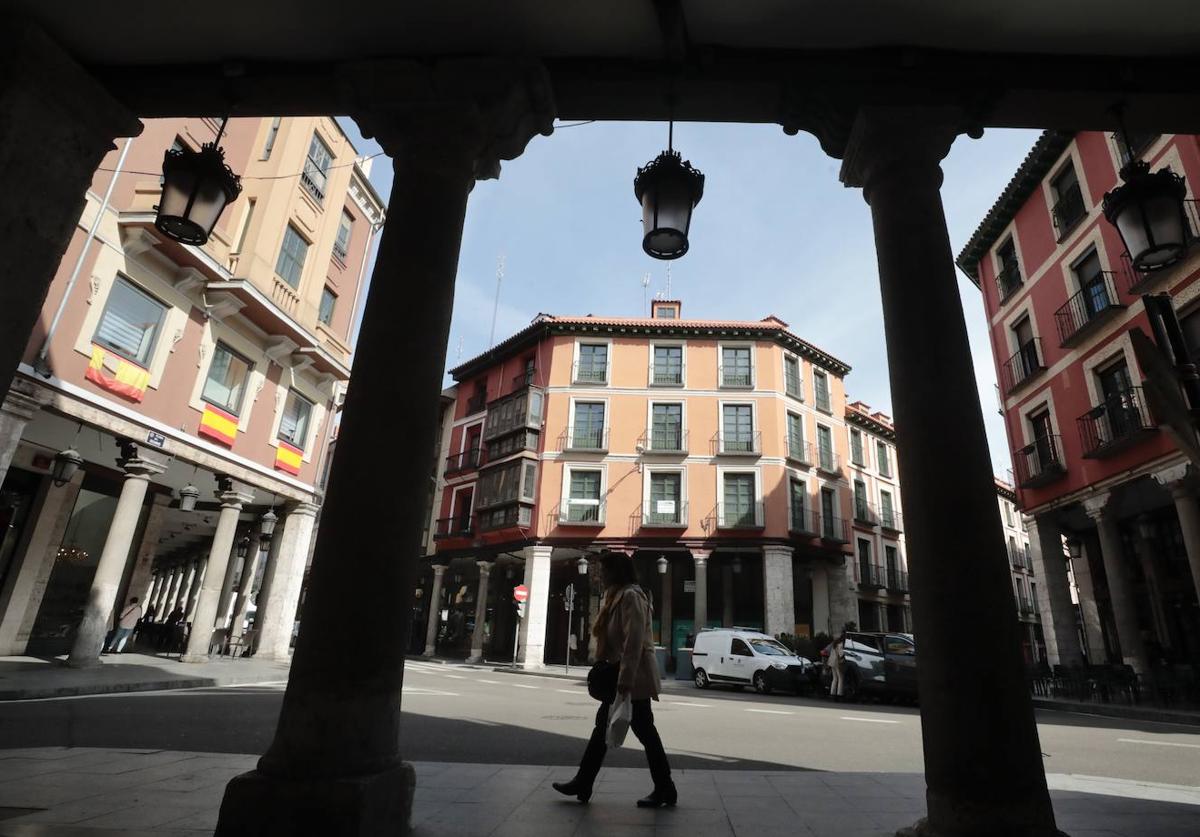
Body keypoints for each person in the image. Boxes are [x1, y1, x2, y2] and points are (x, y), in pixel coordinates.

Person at [553, 552, 676, 808]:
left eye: (605, 570)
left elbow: (635, 641)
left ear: (616, 571)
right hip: (623, 675)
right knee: (606, 731)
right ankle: (584, 783)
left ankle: (664, 787)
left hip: (632, 678)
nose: (601, 574)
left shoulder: (631, 596)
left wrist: (625, 678)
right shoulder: (615, 596)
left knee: (644, 732)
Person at [828, 630, 847, 701]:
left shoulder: (834, 643)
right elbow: (841, 654)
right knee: (841, 678)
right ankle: (839, 694)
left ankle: (832, 694)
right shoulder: (840, 644)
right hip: (838, 662)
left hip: (832, 662)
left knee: (835, 678)